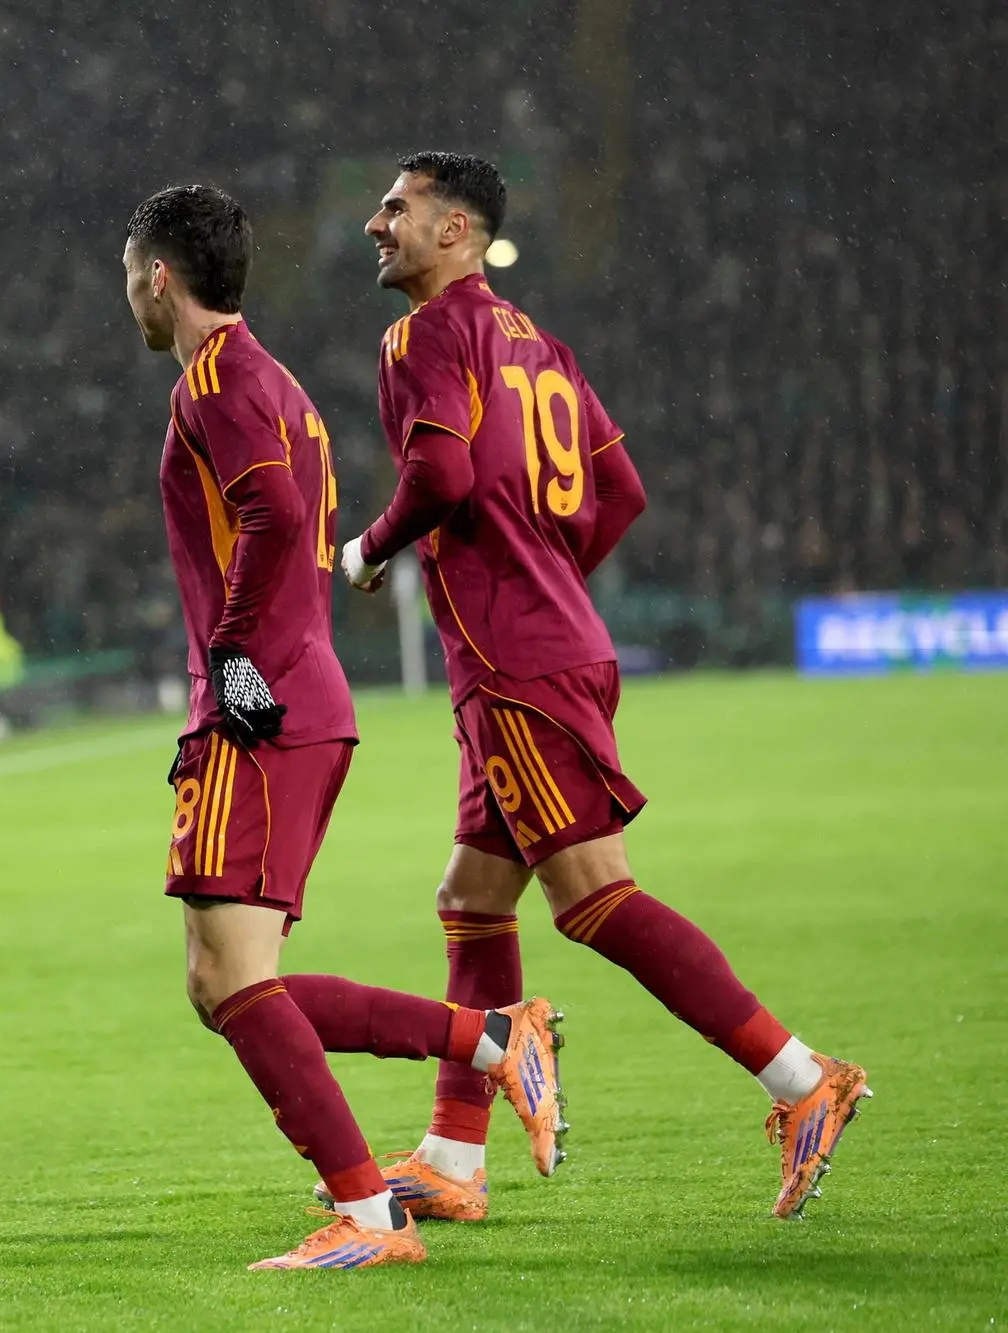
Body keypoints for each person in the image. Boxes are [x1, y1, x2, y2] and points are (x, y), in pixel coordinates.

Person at [341, 152, 868, 1222]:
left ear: (455, 231)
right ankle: (452, 1155)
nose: (371, 224)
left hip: (514, 662)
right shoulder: (537, 340)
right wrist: (544, 574)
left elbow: (438, 478)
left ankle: (802, 1077)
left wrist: (366, 549)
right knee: (469, 898)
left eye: (395, 208)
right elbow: (620, 489)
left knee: (590, 897)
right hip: (547, 643)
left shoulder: (423, 334)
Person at [122, 184, 564, 1272]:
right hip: (292, 695)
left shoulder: (218, 381)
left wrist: (229, 660)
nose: (127, 294)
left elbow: (271, 514)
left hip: (258, 700)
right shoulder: (265, 378)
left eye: (129, 275)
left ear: (158, 277)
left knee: (231, 981)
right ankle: (489, 1044)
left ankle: (371, 1212)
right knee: (225, 981)